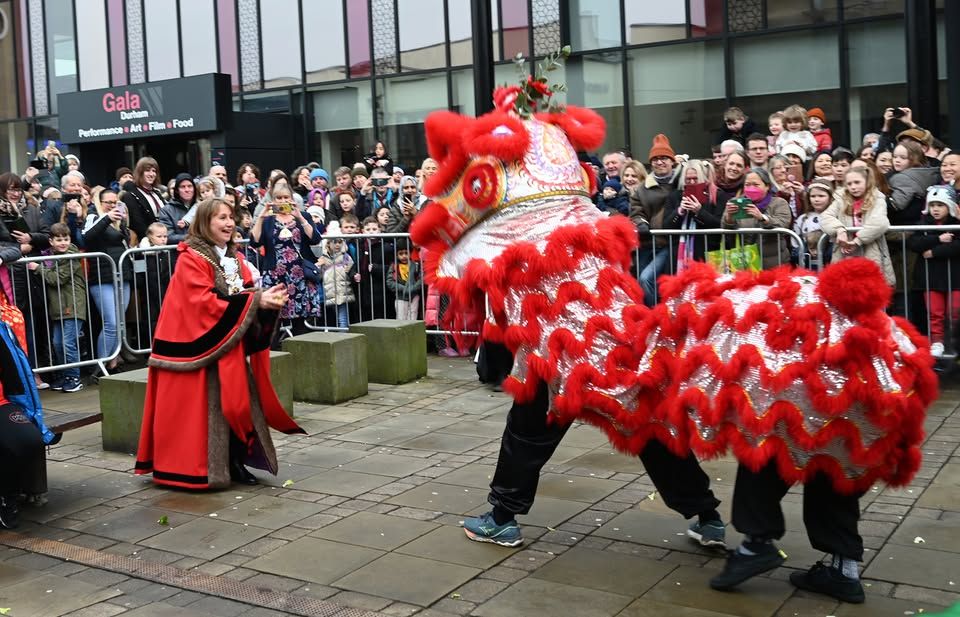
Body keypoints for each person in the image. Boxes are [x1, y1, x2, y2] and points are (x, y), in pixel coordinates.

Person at [135, 198, 304, 489]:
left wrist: (264, 301)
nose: (229, 223)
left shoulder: (233, 258)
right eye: (221, 218)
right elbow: (201, 303)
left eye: (230, 217)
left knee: (237, 404)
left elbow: (237, 295)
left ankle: (235, 461)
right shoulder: (191, 258)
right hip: (197, 348)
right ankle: (205, 466)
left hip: (225, 342)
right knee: (209, 410)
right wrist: (254, 301)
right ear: (204, 223)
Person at [0, 318, 55, 528]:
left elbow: (15, 373)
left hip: (2, 402)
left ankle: (7, 495)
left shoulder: (2, 328)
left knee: (29, 440)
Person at [249, 180, 323, 337]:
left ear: (292, 198)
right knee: (274, 319)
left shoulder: (304, 216)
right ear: (273, 200)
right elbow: (255, 241)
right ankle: (274, 356)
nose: (283, 201)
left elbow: (315, 238)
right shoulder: (268, 221)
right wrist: (261, 217)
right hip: (276, 277)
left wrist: (300, 219)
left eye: (286, 198)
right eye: (279, 198)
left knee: (301, 321)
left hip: (299, 276)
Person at [26, 223, 85, 392]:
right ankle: (65, 375)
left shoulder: (71, 256)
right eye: (59, 240)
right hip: (58, 306)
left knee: (68, 343)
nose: (63, 243)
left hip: (72, 304)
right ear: (51, 241)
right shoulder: (51, 255)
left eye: (65, 239)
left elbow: (57, 278)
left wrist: (38, 268)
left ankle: (74, 376)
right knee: (58, 343)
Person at [907, 185, 960, 357]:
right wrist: (938, 238)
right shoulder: (922, 224)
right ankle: (937, 341)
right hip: (930, 278)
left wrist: (934, 251)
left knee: (955, 311)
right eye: (932, 205)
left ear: (950, 206)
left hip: (955, 276)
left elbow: (957, 245)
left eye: (940, 205)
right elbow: (914, 243)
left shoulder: (956, 224)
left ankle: (954, 342)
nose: (935, 209)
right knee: (935, 312)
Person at [83, 188, 132, 372]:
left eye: (115, 202)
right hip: (102, 277)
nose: (112, 205)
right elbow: (86, 238)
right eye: (108, 202)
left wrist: (122, 222)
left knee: (119, 322)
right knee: (111, 322)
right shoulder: (94, 216)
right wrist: (107, 218)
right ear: (100, 203)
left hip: (122, 274)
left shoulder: (119, 220)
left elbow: (124, 242)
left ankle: (112, 361)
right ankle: (101, 365)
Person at [819, 167, 895, 286]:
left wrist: (858, 240)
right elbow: (825, 217)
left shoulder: (878, 199)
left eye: (857, 182)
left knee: (870, 292)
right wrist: (839, 229)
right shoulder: (841, 199)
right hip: (844, 254)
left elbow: (880, 222)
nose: (853, 187)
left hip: (870, 251)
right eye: (849, 184)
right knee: (845, 291)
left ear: (867, 182)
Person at [629, 134, 680, 306]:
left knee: (646, 279)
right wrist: (641, 223)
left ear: (672, 161)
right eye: (656, 159)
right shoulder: (642, 189)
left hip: (671, 244)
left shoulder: (681, 182)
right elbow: (635, 211)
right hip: (648, 243)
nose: (660, 162)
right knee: (639, 283)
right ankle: (654, 315)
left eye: (664, 158)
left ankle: (657, 317)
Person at [721, 167, 792, 269]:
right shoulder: (736, 202)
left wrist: (762, 218)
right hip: (746, 264)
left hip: (775, 265)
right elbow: (727, 232)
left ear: (767, 186)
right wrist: (729, 217)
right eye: (747, 185)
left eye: (756, 185)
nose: (751, 188)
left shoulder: (779, 203)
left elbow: (783, 224)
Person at [793, 177, 834, 268]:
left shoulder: (835, 217)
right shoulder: (803, 219)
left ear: (830, 197)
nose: (816, 199)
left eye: (821, 196)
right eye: (813, 196)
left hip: (829, 263)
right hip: (808, 264)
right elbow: (796, 241)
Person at [122, 157, 165, 242]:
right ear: (140, 173)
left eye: (154, 171)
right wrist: (153, 239)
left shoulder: (157, 193)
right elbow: (138, 224)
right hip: (146, 244)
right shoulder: (130, 195)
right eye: (147, 170)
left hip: (164, 239)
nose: (151, 174)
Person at [318, 234, 356, 329]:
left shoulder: (345, 257)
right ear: (328, 244)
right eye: (335, 242)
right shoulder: (323, 259)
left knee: (342, 318)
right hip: (330, 293)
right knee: (334, 317)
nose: (337, 245)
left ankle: (343, 337)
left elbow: (351, 269)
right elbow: (319, 275)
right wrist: (319, 265)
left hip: (342, 292)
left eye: (340, 242)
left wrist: (351, 272)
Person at [387, 238, 422, 321]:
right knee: (401, 319)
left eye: (406, 253)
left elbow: (421, 279)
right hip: (400, 297)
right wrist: (404, 288)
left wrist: (413, 288)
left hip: (414, 296)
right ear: (396, 255)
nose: (404, 256)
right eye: (401, 254)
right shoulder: (394, 266)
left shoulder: (416, 265)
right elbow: (389, 282)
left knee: (413, 318)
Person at [158, 173, 196, 246]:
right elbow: (167, 236)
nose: (187, 190)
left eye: (190, 186)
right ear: (177, 190)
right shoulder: (166, 210)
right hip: (179, 253)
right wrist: (191, 238)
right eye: (183, 187)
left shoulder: (201, 206)